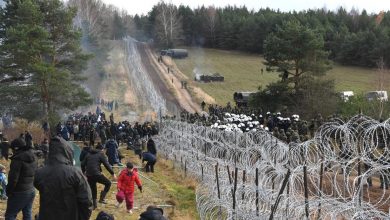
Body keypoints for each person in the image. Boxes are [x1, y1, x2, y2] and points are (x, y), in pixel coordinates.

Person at [34, 136, 93, 220]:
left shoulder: (40, 172)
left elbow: (86, 200)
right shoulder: (75, 173)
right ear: (66, 151)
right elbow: (87, 201)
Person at [5, 138, 37, 220]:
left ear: (16, 148)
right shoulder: (33, 156)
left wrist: (8, 191)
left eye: (12, 148)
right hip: (31, 190)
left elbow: (13, 179)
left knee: (10, 215)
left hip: (20, 192)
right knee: (27, 213)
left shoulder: (17, 159)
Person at [82, 144, 116, 209]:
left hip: (89, 175)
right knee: (108, 183)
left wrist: (83, 173)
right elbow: (106, 165)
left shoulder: (88, 154)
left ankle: (94, 206)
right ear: (101, 149)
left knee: (93, 189)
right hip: (96, 174)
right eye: (103, 150)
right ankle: (101, 199)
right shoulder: (101, 154)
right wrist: (112, 173)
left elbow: (82, 164)